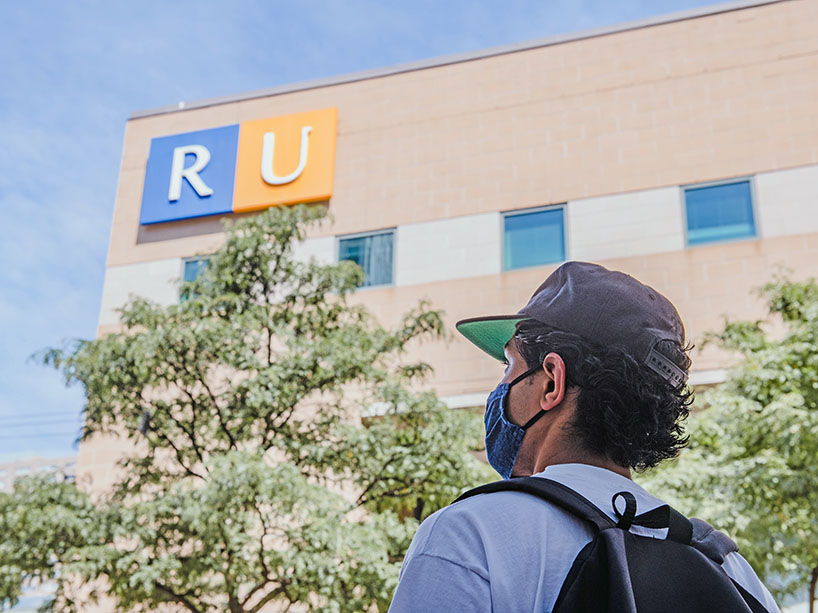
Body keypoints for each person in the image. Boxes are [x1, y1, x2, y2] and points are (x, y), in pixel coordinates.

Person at [389, 261, 778, 612]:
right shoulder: (730, 568)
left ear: (552, 382)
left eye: (509, 367)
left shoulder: (469, 537)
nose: (500, 388)